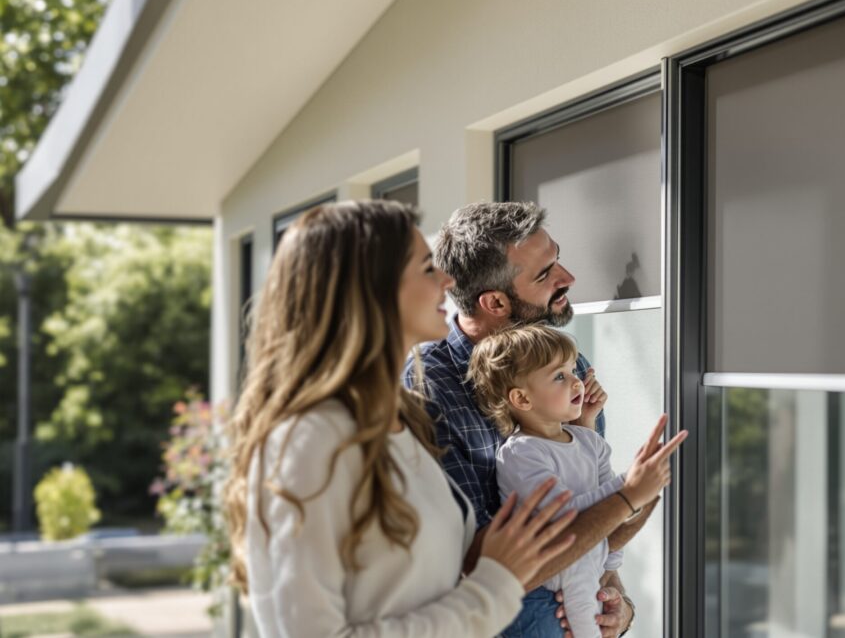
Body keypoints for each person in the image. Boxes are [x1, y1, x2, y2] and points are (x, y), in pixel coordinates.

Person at [223, 200, 579, 637]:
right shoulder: (308, 441)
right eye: (428, 268)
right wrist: (494, 588)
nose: (448, 282)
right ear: (372, 290)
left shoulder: (399, 418)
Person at [408, 201, 674, 637]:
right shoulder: (427, 394)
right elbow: (475, 569)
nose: (567, 278)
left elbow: (589, 511)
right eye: (544, 273)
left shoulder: (565, 366)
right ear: (494, 301)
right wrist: (627, 499)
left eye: (557, 258)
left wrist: (616, 604)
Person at [468, 325, 685, 638]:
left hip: (590, 564)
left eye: (572, 370)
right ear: (522, 399)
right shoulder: (520, 453)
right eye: (559, 376)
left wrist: (609, 573)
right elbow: (564, 516)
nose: (576, 380)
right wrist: (629, 486)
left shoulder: (589, 441)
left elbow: (610, 514)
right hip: (553, 573)